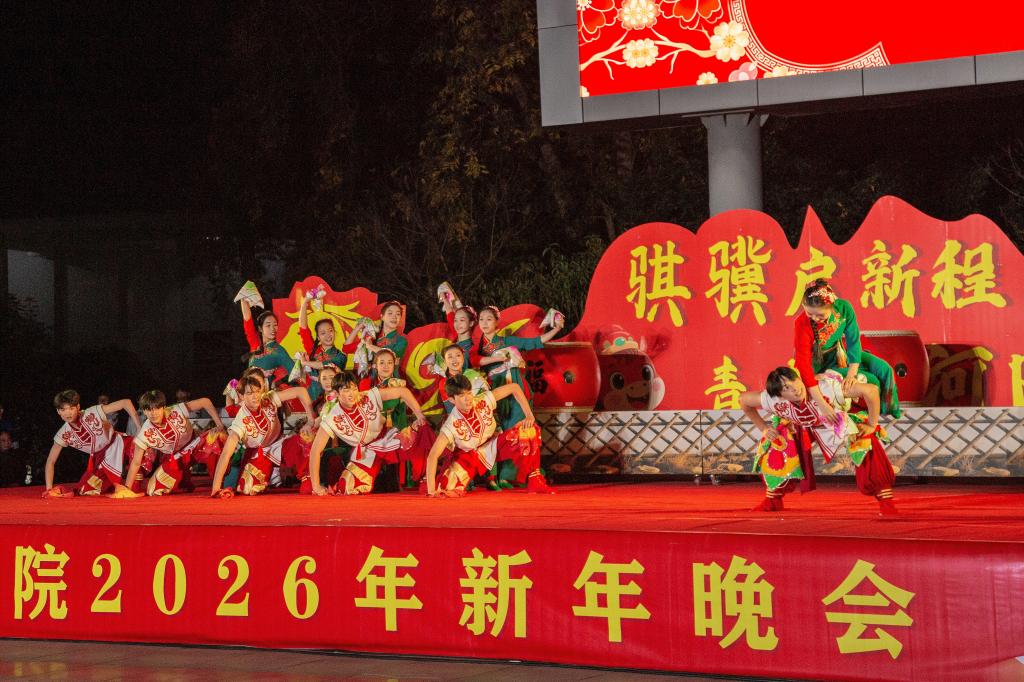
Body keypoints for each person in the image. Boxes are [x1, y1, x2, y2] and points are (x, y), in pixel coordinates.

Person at [739, 366, 898, 516]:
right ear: (779, 395)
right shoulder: (772, 400)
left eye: (793, 380)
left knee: (863, 439)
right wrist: (764, 428)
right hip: (802, 425)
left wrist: (872, 424)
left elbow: (870, 390)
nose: (795, 388)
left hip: (838, 420)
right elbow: (743, 400)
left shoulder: (826, 388)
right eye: (786, 388)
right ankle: (772, 500)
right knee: (778, 439)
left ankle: (885, 500)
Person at [425, 374, 553, 497]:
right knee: (445, 490)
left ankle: (535, 480)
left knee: (529, 430)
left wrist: (529, 415)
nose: (468, 398)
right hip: (468, 458)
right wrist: (431, 491)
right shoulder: (451, 424)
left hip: (494, 445)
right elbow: (432, 456)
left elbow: (514, 387)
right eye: (462, 395)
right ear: (452, 400)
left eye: (469, 393)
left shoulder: (483, 400)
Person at [306, 371, 431, 495]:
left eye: (354, 389)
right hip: (365, 453)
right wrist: (316, 486)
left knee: (421, 430)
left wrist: (419, 415)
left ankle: (426, 479)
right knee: (346, 486)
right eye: (346, 390)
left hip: (387, 439)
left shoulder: (368, 396)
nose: (352, 394)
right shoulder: (332, 418)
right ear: (336, 393)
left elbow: (402, 392)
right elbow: (315, 451)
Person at [794, 278, 901, 419]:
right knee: (871, 379)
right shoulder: (801, 324)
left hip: (839, 353)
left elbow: (853, 341)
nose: (814, 318)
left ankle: (890, 410)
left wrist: (851, 373)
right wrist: (822, 403)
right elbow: (803, 364)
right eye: (809, 313)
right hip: (819, 365)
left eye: (820, 315)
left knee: (884, 368)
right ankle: (872, 416)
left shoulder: (844, 308)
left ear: (832, 306)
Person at [209, 376, 317, 497]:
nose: (255, 396)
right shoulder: (240, 421)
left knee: (306, 438)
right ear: (241, 396)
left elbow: (301, 391)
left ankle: (308, 479)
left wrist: (310, 421)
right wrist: (216, 488)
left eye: (257, 391)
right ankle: (275, 477)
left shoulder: (268, 398)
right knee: (247, 489)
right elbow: (226, 454)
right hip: (259, 453)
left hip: (280, 443)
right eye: (249, 393)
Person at [113, 390, 226, 497]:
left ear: (163, 407)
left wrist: (219, 425)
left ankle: (219, 485)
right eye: (149, 410)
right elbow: (136, 462)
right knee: (153, 490)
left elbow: (205, 401)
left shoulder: (175, 410)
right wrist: (126, 488)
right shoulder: (145, 433)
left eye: (157, 408)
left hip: (196, 445)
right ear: (144, 411)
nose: (153, 413)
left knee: (218, 436)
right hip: (176, 459)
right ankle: (182, 481)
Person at [43, 390, 142, 496]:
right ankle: (117, 486)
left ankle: (128, 487)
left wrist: (139, 427)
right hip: (100, 459)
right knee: (85, 490)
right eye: (63, 409)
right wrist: (49, 489)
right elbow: (50, 461)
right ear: (58, 411)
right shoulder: (64, 434)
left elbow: (125, 402)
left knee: (140, 451)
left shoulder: (92, 413)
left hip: (120, 443)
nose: (68, 413)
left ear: (78, 407)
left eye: (71, 408)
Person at [297, 290, 347, 401]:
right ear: (318, 337)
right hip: (312, 395)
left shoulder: (341, 356)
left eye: (330, 331)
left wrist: (306, 363)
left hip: (334, 397)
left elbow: (325, 365)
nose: (328, 335)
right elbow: (303, 328)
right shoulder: (313, 349)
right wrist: (305, 302)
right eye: (323, 333)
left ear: (334, 332)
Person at [240, 297, 293, 388]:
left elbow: (294, 372)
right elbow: (247, 321)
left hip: (265, 392)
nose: (273, 329)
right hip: (249, 389)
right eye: (268, 325)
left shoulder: (279, 350)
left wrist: (278, 382)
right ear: (260, 328)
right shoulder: (255, 343)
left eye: (275, 325)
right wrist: (244, 298)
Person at [343, 300, 408, 366]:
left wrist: (370, 346)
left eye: (398, 314)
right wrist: (357, 328)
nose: (394, 317)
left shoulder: (401, 340)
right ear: (382, 317)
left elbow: (391, 356)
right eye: (390, 313)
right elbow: (346, 348)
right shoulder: (373, 337)